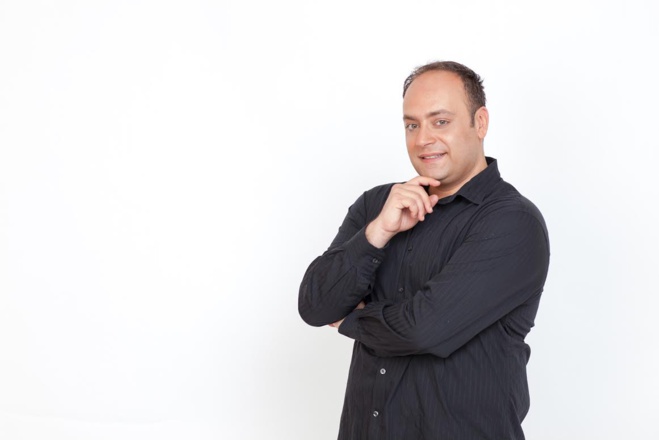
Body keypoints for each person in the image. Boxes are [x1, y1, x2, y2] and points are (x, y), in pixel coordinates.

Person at [298, 61, 550, 440]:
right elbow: (315, 306)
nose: (423, 140)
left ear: (480, 123)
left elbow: (425, 330)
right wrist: (378, 232)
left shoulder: (512, 221)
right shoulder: (378, 205)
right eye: (412, 125)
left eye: (440, 121)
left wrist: (352, 319)